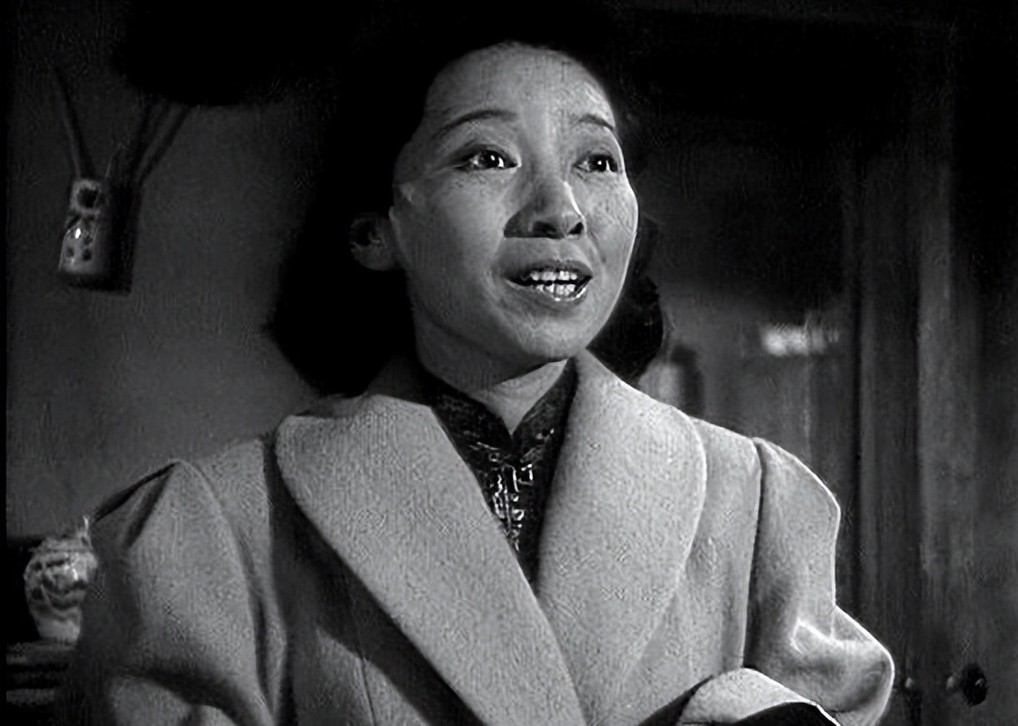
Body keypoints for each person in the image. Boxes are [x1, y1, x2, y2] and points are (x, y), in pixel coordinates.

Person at [61, 7, 894, 725]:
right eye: (486, 157)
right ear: (375, 230)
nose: (560, 210)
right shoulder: (212, 529)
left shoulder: (756, 501)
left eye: (596, 161)